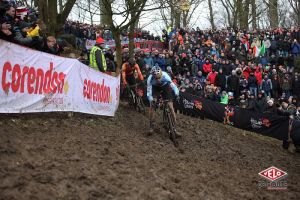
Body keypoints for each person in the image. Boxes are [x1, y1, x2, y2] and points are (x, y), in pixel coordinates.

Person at [147, 66, 180, 135]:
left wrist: (177, 93)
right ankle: (151, 126)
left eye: (159, 77)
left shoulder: (165, 75)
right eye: (156, 78)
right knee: (152, 106)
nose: (158, 80)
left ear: (161, 74)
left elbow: (173, 86)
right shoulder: (150, 79)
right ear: (153, 76)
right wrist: (152, 100)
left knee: (170, 106)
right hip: (155, 88)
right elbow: (149, 92)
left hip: (165, 86)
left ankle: (174, 128)